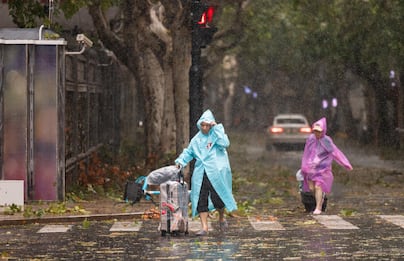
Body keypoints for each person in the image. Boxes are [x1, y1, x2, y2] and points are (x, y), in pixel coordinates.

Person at [175, 109, 237, 236]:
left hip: (215, 173)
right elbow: (189, 152)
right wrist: (180, 161)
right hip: (201, 173)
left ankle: (221, 217)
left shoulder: (216, 136)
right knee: (200, 198)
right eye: (202, 125)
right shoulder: (196, 139)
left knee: (218, 197)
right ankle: (204, 227)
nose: (204, 128)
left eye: (207, 125)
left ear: (211, 125)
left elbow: (225, 143)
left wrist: (217, 128)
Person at [300, 117, 353, 215]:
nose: (317, 133)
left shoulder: (327, 141)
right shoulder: (311, 139)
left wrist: (345, 163)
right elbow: (306, 153)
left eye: (319, 131)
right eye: (315, 131)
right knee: (311, 188)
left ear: (323, 131)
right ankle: (319, 198)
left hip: (322, 168)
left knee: (318, 186)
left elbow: (336, 153)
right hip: (311, 169)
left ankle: (318, 207)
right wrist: (305, 166)